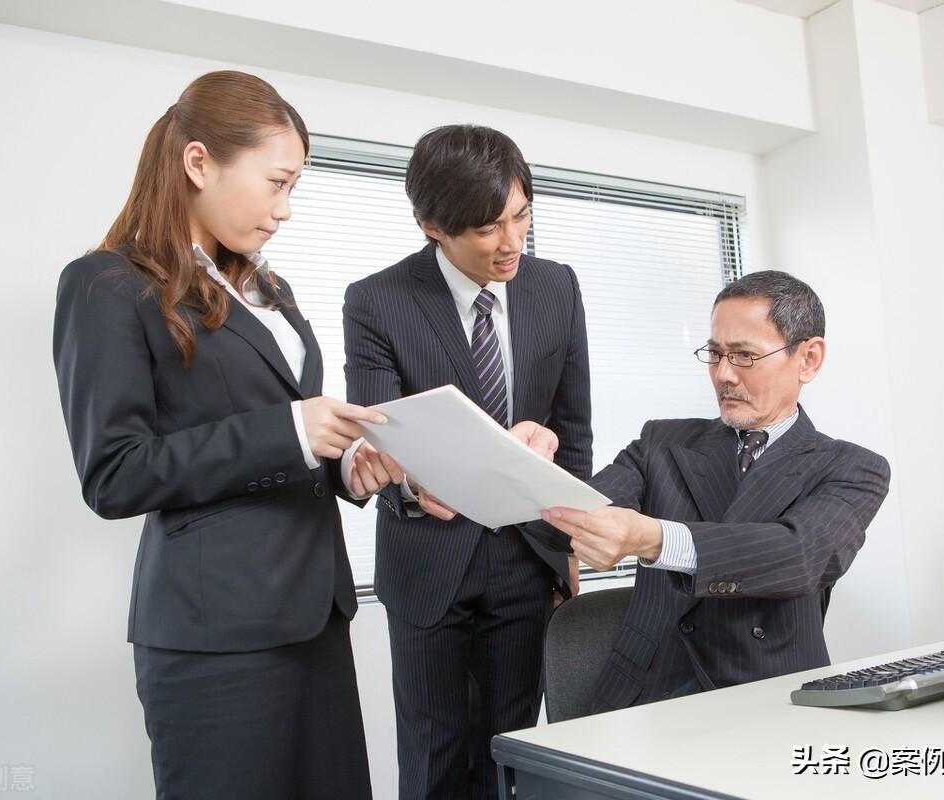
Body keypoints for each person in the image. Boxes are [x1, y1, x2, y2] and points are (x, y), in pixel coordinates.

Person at [52, 70, 399, 799]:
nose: (285, 209)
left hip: (316, 621)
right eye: (277, 183)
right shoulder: (106, 284)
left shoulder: (270, 289)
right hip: (216, 637)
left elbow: (286, 428)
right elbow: (114, 473)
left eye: (293, 187)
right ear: (198, 162)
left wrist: (346, 464)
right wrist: (289, 432)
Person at [341, 124, 593, 799]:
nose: (512, 243)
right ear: (433, 226)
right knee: (436, 762)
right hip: (429, 558)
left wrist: (569, 540)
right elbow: (379, 435)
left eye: (521, 215)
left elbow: (574, 428)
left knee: (511, 758)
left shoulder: (557, 287)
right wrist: (408, 484)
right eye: (487, 228)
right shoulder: (377, 301)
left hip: (527, 557)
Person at [538, 270, 891, 712]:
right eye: (715, 354)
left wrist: (654, 538)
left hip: (774, 699)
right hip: (647, 696)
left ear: (808, 358)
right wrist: (529, 461)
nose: (724, 375)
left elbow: (799, 556)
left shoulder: (852, 467)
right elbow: (568, 520)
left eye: (744, 356)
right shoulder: (662, 443)